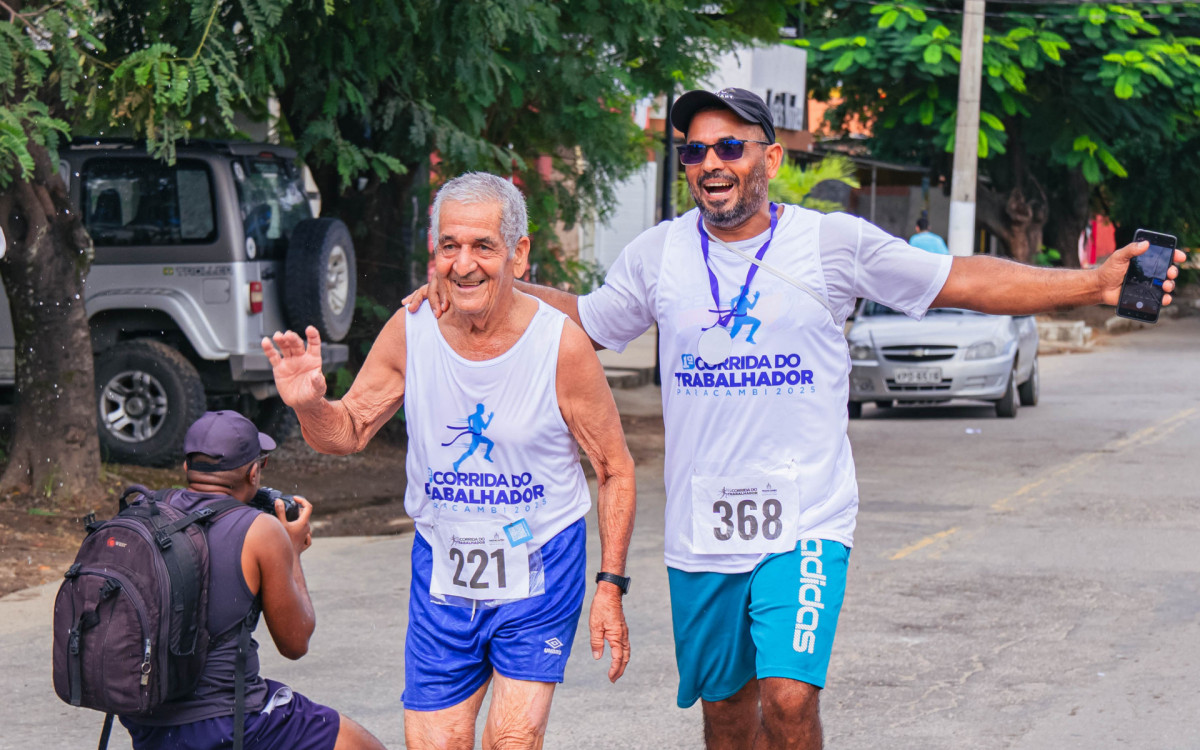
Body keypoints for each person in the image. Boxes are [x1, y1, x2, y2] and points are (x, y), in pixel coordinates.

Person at [406, 87, 1185, 750]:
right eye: (693, 151)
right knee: (728, 716)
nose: (710, 163)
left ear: (770, 159)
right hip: (701, 531)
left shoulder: (831, 245)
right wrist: (479, 284)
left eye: (730, 147)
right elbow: (591, 318)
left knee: (788, 700)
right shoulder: (658, 255)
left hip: (806, 516)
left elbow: (961, 279)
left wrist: (1090, 284)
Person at [262, 172, 637, 750]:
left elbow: (614, 469)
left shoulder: (560, 345)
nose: (464, 264)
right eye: (449, 247)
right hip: (444, 566)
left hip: (540, 563)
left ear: (518, 252)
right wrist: (311, 405)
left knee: (512, 740)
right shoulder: (412, 329)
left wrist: (609, 585)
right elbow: (349, 430)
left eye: (483, 246)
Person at [119, 410, 387, 750]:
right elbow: (295, 643)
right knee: (364, 746)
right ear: (253, 472)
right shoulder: (260, 531)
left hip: (146, 715)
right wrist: (291, 552)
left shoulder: (145, 510)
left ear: (187, 468)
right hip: (228, 719)